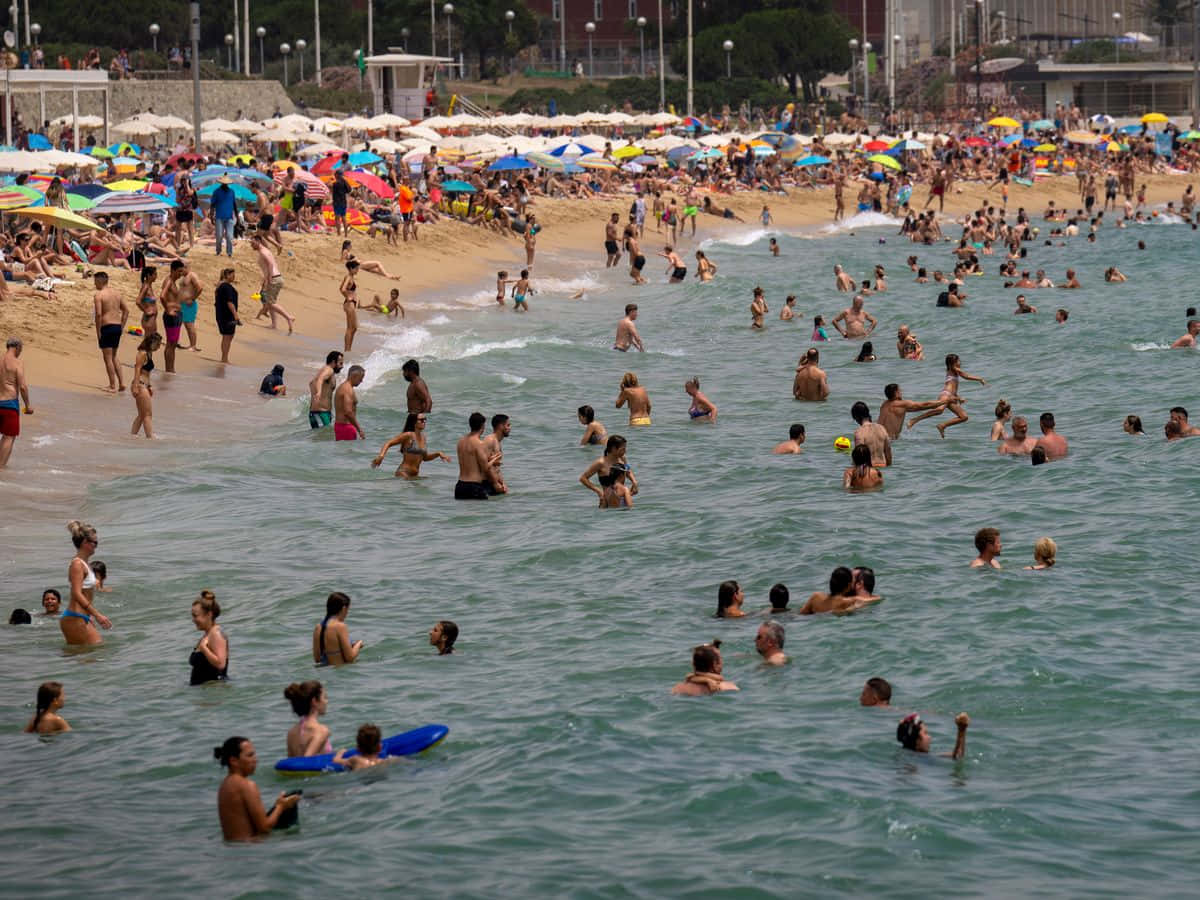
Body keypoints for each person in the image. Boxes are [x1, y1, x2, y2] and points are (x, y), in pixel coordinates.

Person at [214, 736, 301, 841]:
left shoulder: (225, 785)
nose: (255, 760)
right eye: (250, 755)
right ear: (234, 761)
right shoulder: (246, 785)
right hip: (251, 851)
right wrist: (280, 806)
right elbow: (265, 828)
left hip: (234, 851)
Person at [906, 354, 986, 437]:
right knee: (939, 410)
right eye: (958, 361)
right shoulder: (954, 369)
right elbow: (966, 376)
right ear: (953, 363)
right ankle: (914, 420)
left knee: (964, 417)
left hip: (951, 396)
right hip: (946, 395)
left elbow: (953, 388)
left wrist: (958, 398)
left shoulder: (953, 371)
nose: (960, 362)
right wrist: (980, 379)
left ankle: (942, 425)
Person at [61, 520, 111, 645]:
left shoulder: (84, 564)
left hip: (80, 617)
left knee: (85, 659)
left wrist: (89, 616)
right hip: (74, 617)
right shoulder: (77, 564)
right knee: (95, 653)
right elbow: (76, 593)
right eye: (95, 542)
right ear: (85, 543)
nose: (96, 546)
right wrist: (97, 615)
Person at [372, 413, 449, 478]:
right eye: (421, 420)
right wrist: (381, 456)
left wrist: (438, 454)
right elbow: (388, 443)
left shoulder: (423, 437)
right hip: (403, 473)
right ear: (414, 422)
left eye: (425, 419)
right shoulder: (408, 435)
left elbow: (425, 458)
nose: (424, 421)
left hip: (415, 476)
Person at [250, 235, 294, 334]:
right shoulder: (265, 250)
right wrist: (265, 279)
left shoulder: (263, 252)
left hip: (273, 279)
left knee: (270, 303)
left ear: (258, 241)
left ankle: (288, 317)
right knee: (270, 302)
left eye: (252, 243)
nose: (251, 245)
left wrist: (268, 279)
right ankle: (274, 324)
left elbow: (270, 264)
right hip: (276, 278)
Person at [92, 272, 128, 393]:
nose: (94, 283)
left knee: (107, 357)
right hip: (117, 326)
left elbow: (98, 314)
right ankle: (122, 383)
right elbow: (126, 311)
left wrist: (98, 332)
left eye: (95, 281)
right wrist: (122, 326)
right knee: (114, 356)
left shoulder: (99, 295)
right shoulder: (117, 294)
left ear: (100, 281)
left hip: (106, 327)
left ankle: (112, 386)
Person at [0, 337, 31, 469]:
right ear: (17, 348)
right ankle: (1, 468)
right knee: (9, 436)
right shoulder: (17, 363)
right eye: (20, 350)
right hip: (9, 404)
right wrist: (28, 406)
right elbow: (23, 386)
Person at [454, 412, 501, 500]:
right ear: (482, 426)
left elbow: (471, 460)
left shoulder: (460, 442)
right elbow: (485, 468)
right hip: (473, 486)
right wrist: (495, 459)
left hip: (459, 486)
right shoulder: (478, 443)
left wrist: (492, 458)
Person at [579, 434, 633, 505]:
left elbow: (627, 470)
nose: (625, 451)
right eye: (622, 449)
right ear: (613, 448)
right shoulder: (600, 463)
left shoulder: (622, 459)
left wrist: (634, 482)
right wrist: (598, 491)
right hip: (607, 500)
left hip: (623, 496)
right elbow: (583, 478)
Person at [189, 590, 229, 685]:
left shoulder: (216, 634)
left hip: (214, 693)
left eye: (195, 616)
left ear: (209, 614)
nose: (193, 620)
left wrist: (204, 649)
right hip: (205, 693)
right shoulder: (207, 635)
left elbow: (220, 664)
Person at [313, 591, 363, 666]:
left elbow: (317, 659)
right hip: (339, 673)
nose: (347, 613)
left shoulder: (318, 627)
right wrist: (358, 644)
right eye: (347, 610)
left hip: (323, 673)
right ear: (344, 609)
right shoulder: (340, 626)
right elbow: (350, 658)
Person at [877, 383, 944, 439]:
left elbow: (919, 408)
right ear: (896, 393)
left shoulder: (884, 404)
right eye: (900, 391)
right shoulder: (901, 404)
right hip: (888, 439)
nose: (901, 392)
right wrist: (944, 401)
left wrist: (935, 405)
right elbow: (924, 405)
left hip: (876, 435)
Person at [671, 640, 738, 695]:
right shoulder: (729, 687)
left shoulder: (677, 688)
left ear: (693, 664)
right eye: (721, 660)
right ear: (715, 664)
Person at [285, 681, 331, 756]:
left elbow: (291, 763)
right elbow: (306, 760)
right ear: (314, 701)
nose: (327, 701)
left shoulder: (291, 733)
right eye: (325, 697)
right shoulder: (322, 731)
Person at [896, 712, 969, 759]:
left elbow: (957, 755)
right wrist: (961, 731)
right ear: (917, 742)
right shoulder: (925, 759)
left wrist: (962, 731)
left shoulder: (908, 756)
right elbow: (957, 756)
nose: (930, 737)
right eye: (925, 733)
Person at [851, 401, 891, 467]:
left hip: (869, 470)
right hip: (883, 467)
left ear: (856, 417)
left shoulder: (859, 433)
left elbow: (859, 458)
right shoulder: (882, 428)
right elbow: (888, 453)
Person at [308, 351, 342, 430]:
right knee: (325, 439)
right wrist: (319, 392)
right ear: (334, 362)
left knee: (319, 439)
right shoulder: (329, 370)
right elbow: (320, 379)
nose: (342, 366)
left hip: (314, 413)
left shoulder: (322, 370)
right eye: (340, 363)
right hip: (322, 413)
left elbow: (311, 383)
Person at [214, 267, 241, 364]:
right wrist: (236, 315)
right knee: (227, 336)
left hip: (222, 314)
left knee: (229, 336)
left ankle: (224, 357)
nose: (234, 277)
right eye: (232, 275)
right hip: (227, 315)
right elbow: (230, 302)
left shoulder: (221, 285)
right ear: (227, 275)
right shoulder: (226, 286)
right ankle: (224, 358)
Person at [333, 365, 366, 441]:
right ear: (354, 376)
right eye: (360, 378)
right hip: (345, 427)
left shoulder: (343, 387)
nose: (361, 381)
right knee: (349, 452)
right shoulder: (348, 390)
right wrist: (359, 429)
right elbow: (348, 412)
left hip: (340, 426)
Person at [482, 414, 511, 495]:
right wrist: (495, 483)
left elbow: (496, 468)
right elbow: (484, 464)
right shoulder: (489, 440)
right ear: (501, 426)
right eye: (508, 425)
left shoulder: (497, 442)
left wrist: (502, 483)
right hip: (485, 484)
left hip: (493, 484)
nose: (510, 428)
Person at [210, 174, 237, 258]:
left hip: (229, 217)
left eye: (226, 184)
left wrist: (236, 215)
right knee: (219, 236)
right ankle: (218, 251)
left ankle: (229, 252)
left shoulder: (232, 192)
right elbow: (212, 204)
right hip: (219, 217)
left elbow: (234, 204)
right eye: (224, 184)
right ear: (221, 183)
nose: (225, 185)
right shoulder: (216, 192)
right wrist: (211, 215)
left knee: (229, 236)